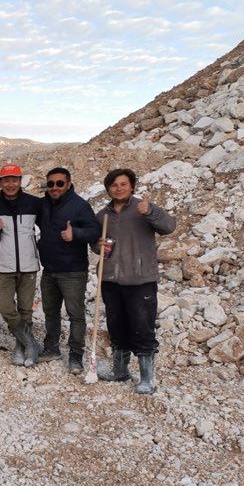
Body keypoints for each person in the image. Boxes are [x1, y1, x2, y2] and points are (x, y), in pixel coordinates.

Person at [95, 168, 176, 394]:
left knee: (142, 328)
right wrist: (98, 245)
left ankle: (147, 378)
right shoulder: (102, 215)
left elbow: (169, 227)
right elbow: (97, 246)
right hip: (111, 280)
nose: (118, 188)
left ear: (131, 186)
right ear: (108, 189)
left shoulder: (143, 208)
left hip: (141, 281)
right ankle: (120, 371)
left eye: (123, 184)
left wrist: (151, 211)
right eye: (114, 185)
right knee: (116, 327)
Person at [37, 167, 102, 374]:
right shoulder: (44, 204)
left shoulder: (80, 206)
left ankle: (75, 355)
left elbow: (95, 230)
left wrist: (76, 234)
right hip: (49, 270)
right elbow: (23, 205)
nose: (54, 187)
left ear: (68, 184)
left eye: (59, 183)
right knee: (50, 312)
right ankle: (51, 347)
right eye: (50, 184)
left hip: (73, 271)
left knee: (75, 314)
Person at [0, 163, 43, 367]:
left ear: (20, 181)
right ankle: (31, 344)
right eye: (6, 180)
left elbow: (48, 226)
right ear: (0, 182)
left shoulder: (34, 203)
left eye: (14, 180)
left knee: (25, 310)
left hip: (29, 266)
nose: (10, 184)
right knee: (6, 308)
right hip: (3, 267)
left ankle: (21, 347)